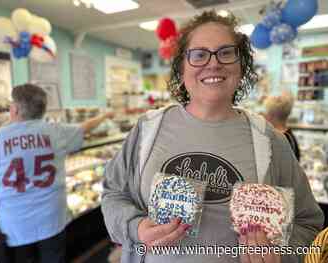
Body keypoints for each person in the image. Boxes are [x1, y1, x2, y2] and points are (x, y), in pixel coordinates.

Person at [101, 10, 323, 263]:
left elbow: (308, 222)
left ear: (242, 68)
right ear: (181, 70)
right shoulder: (147, 129)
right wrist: (136, 227)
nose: (213, 63)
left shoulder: (270, 141)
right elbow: (113, 195)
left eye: (226, 52)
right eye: (199, 54)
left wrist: (281, 255)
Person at [0, 83, 113, 263]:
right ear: (42, 110)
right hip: (52, 220)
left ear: (15, 109)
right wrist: (104, 116)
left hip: (13, 227)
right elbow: (84, 128)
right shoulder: (56, 131)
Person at [263, 92, 301, 161]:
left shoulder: (276, 140)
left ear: (272, 116)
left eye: (267, 112)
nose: (265, 116)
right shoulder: (290, 138)